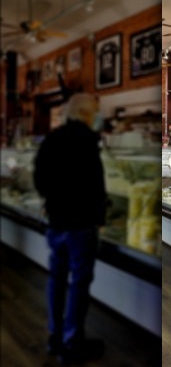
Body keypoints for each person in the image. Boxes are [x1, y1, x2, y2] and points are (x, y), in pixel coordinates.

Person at [33, 93, 106, 364]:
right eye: (96, 111)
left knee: (56, 279)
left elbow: (39, 178)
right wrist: (99, 216)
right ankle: (72, 342)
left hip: (56, 222)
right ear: (88, 113)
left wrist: (53, 202)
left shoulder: (53, 138)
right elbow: (96, 185)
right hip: (81, 225)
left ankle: (55, 336)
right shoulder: (88, 140)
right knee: (79, 284)